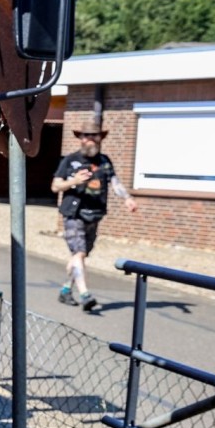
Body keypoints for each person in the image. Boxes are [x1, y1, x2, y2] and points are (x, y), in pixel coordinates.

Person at [51, 117, 138, 311]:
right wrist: (74, 181)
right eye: (86, 136)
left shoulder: (104, 161)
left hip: (95, 215)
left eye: (94, 136)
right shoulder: (70, 160)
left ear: (100, 138)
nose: (89, 139)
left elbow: (114, 182)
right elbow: (55, 186)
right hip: (74, 214)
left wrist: (127, 198)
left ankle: (66, 291)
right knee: (79, 253)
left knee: (79, 256)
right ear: (80, 138)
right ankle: (85, 295)